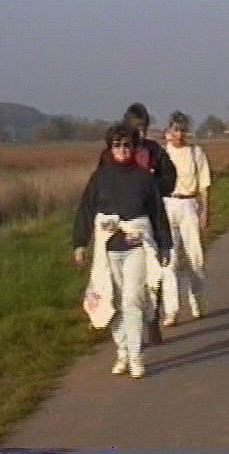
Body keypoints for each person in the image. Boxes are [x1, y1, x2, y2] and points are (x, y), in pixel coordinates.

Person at [73, 122, 173, 378]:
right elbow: (86, 210)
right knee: (113, 301)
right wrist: (80, 244)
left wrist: (165, 245)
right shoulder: (100, 177)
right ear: (110, 148)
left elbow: (158, 214)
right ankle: (122, 352)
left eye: (127, 145)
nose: (122, 149)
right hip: (108, 250)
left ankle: (136, 356)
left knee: (132, 300)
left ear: (134, 147)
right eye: (117, 145)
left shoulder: (144, 178)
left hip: (137, 248)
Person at [159, 111, 212, 325]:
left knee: (195, 256)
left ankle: (197, 301)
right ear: (168, 132)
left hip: (190, 204)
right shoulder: (162, 154)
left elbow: (204, 184)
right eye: (175, 130)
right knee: (168, 260)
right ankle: (171, 310)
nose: (179, 135)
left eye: (182, 130)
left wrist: (206, 211)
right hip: (168, 204)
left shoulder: (196, 153)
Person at [99, 103, 177, 199]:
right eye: (137, 129)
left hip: (148, 203)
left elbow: (169, 178)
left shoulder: (155, 150)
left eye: (144, 128)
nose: (142, 134)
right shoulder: (110, 153)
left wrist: (150, 187)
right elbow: (102, 182)